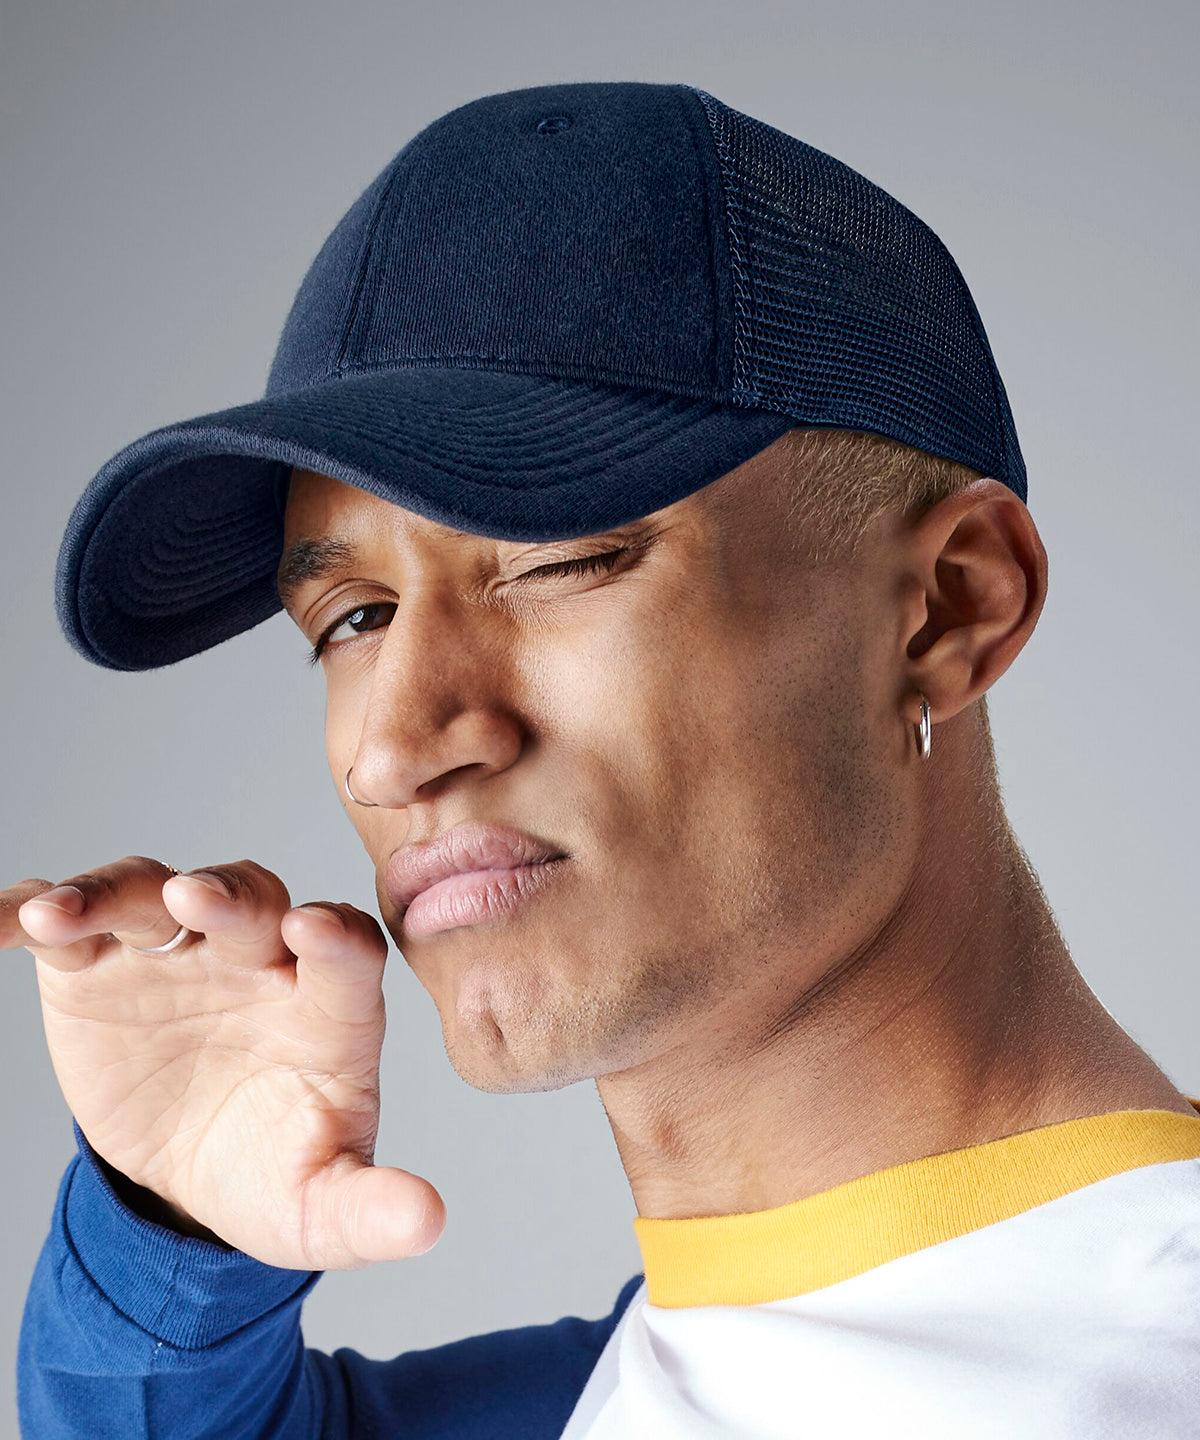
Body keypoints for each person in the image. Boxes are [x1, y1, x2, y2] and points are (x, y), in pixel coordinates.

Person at [7, 80, 1200, 1439]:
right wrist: (173, 1231)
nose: (394, 746)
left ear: (947, 608)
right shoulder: (612, 1390)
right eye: (354, 619)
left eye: (557, 560)